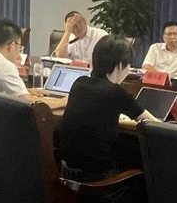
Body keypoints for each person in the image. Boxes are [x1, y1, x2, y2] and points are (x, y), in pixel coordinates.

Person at [58, 34, 157, 181]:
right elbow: (153, 124)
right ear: (120, 65)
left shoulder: (79, 83)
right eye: (129, 65)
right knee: (141, 169)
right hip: (97, 182)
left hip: (66, 174)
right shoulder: (116, 92)